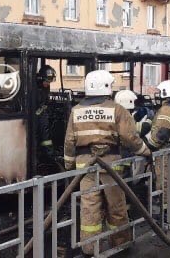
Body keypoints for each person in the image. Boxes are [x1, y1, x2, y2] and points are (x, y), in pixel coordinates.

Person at [64, 70, 151, 255]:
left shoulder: (76, 110)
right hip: (111, 166)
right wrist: (145, 151)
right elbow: (130, 137)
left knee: (89, 208)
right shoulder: (116, 109)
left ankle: (89, 248)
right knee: (116, 206)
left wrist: (69, 166)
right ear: (105, 87)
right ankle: (121, 243)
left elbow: (69, 142)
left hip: (85, 168)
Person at [36, 65, 57, 161]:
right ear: (40, 79)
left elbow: (45, 101)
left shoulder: (44, 87)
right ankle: (49, 154)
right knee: (45, 133)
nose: (48, 84)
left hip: (41, 113)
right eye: (47, 81)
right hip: (37, 116)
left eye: (50, 82)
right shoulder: (34, 88)